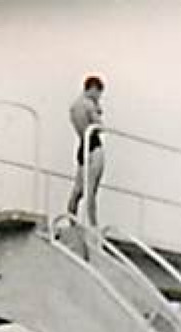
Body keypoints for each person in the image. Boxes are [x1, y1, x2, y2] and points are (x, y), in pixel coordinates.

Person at [66, 75, 106, 225]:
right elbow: (100, 126)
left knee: (77, 189)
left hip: (82, 144)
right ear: (94, 89)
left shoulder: (74, 106)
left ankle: (72, 221)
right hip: (94, 145)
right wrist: (98, 108)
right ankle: (93, 224)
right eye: (99, 93)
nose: (99, 96)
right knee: (91, 190)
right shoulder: (89, 104)